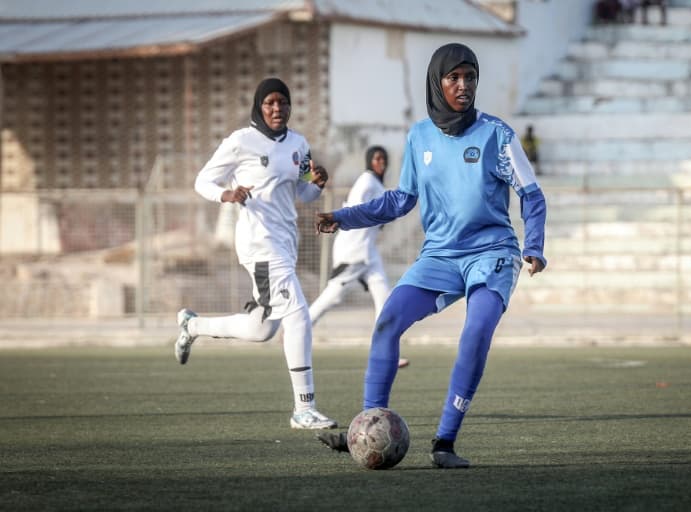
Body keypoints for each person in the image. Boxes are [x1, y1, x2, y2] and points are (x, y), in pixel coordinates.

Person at [314, 43, 547, 468]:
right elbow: (401, 200)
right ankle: (367, 428)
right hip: (439, 255)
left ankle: (444, 443)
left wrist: (534, 246)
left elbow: (531, 194)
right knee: (387, 322)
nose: (463, 86)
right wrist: (345, 217)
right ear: (437, 82)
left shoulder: (499, 135)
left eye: (470, 77)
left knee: (475, 332)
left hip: (492, 253)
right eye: (453, 78)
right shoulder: (419, 135)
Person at [174, 77, 338, 430]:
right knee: (298, 315)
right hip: (258, 243)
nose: (277, 109)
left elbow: (304, 195)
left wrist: (317, 184)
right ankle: (303, 409)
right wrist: (227, 195)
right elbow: (202, 181)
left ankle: (193, 325)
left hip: (285, 243)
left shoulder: (299, 144)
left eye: (283, 102)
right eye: (270, 103)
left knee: (262, 328)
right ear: (259, 107)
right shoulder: (240, 142)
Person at [308, 146, 409, 369]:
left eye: (383, 159)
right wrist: (342, 220)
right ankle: (297, 329)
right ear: (368, 162)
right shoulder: (366, 182)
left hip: (369, 252)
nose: (381, 163)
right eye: (376, 159)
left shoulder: (377, 184)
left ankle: (385, 354)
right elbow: (355, 208)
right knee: (333, 296)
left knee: (385, 300)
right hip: (353, 250)